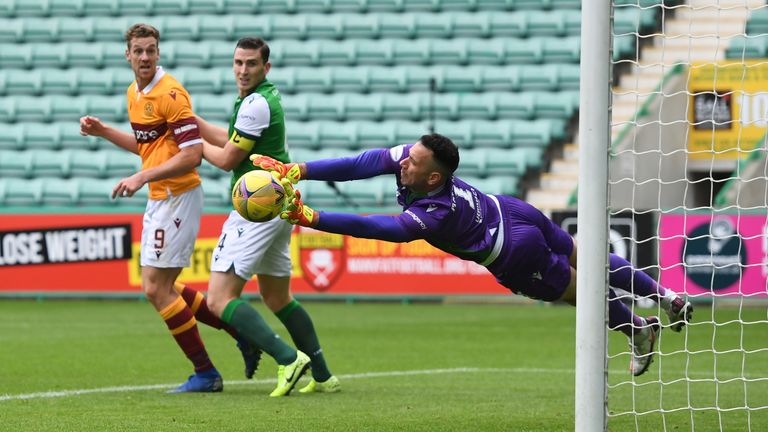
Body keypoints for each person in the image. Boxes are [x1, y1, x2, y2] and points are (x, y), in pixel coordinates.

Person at [253, 133, 694, 377]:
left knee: (582, 292)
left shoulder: (435, 212)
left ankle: (639, 329)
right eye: (407, 156)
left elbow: (378, 228)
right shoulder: (421, 165)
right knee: (590, 257)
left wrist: (312, 216)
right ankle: (667, 296)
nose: (403, 163)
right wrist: (300, 171)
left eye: (413, 163)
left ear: (433, 179)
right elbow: (363, 162)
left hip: (511, 251)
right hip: (514, 210)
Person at [79, 23, 260, 393]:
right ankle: (240, 332)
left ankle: (206, 373)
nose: (144, 57)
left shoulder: (171, 93)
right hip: (161, 196)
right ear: (127, 55)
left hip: (178, 195)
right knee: (164, 286)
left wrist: (141, 177)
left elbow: (192, 156)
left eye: (150, 50)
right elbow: (149, 149)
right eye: (138, 51)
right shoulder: (135, 92)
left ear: (158, 53)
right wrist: (105, 132)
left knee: (156, 288)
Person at [194, 36, 337, 396]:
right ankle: (322, 375)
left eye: (251, 64)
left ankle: (288, 359)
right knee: (277, 297)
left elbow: (226, 158)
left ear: (265, 67)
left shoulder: (255, 103)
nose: (243, 70)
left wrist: (193, 146)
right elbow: (230, 142)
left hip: (256, 207)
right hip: (276, 203)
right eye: (238, 63)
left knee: (219, 299)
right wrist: (193, 123)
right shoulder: (256, 99)